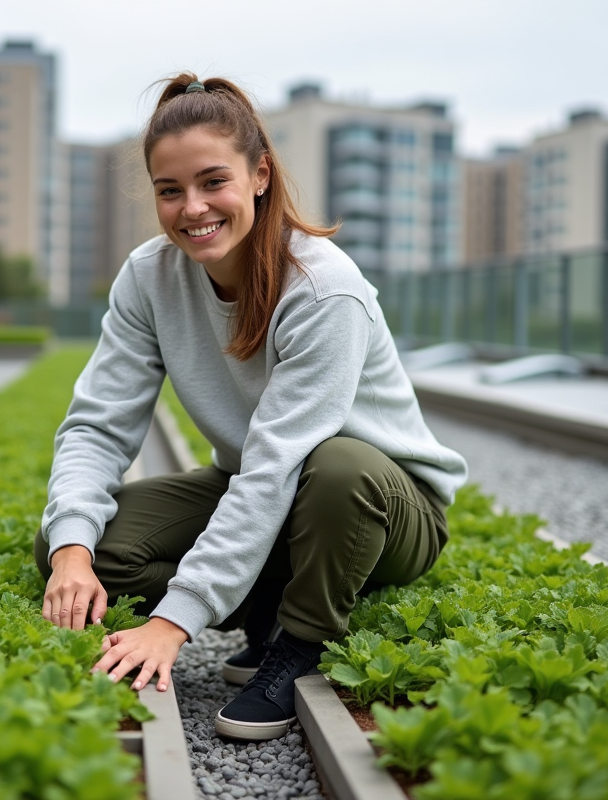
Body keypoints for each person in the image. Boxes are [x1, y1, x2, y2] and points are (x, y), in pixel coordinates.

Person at [34, 74, 467, 742]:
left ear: (260, 174)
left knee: (340, 466)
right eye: (169, 190)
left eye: (214, 182)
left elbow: (278, 464)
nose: (192, 207)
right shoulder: (149, 278)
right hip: (265, 486)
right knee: (88, 545)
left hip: (380, 509)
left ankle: (302, 640)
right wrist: (69, 554)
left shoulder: (325, 290)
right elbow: (99, 424)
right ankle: (265, 601)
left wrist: (172, 622)